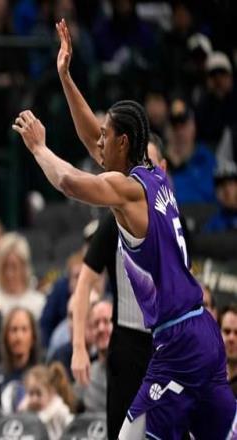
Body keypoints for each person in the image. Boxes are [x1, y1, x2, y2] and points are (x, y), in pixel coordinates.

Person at [11, 18, 235, 439]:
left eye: (106, 136)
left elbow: (70, 182)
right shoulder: (157, 178)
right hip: (202, 331)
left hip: (177, 342)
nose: (98, 143)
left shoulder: (129, 190)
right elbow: (91, 138)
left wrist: (39, 147)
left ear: (124, 143)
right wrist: (66, 78)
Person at [70, 134, 167, 439]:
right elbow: (84, 283)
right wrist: (78, 347)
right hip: (127, 346)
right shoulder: (114, 221)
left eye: (149, 165)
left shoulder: (173, 218)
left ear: (162, 169)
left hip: (168, 344)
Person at [19, 362, 75, 440]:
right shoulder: (24, 412)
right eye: (31, 393)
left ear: (51, 393)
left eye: (39, 394)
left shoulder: (60, 411)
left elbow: (73, 429)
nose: (34, 399)